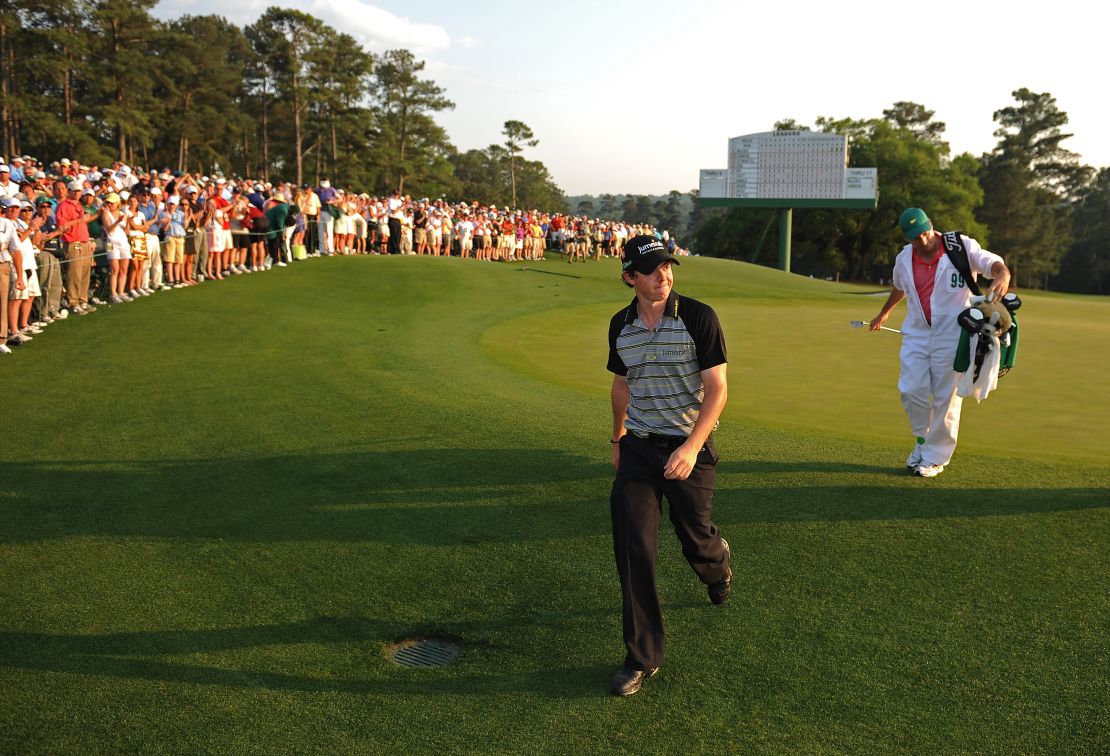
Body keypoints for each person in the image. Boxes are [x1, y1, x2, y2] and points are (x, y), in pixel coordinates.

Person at [605, 234, 732, 697]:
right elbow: (622, 384)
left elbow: (717, 389)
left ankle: (717, 566)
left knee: (695, 536)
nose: (664, 274)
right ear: (629, 277)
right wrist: (617, 436)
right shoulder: (620, 323)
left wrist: (693, 447)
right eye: (653, 268)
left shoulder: (698, 316)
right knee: (633, 543)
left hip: (687, 446)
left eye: (668, 266)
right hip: (639, 447)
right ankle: (642, 655)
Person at [869, 208, 1011, 478]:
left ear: (931, 227)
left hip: (954, 334)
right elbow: (900, 286)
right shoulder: (904, 258)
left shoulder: (960, 246)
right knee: (911, 390)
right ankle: (923, 442)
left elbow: (990, 263)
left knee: (946, 397)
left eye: (924, 234)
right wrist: (885, 311)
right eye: (914, 238)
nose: (921, 241)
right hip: (917, 333)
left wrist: (1002, 273)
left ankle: (935, 458)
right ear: (906, 238)